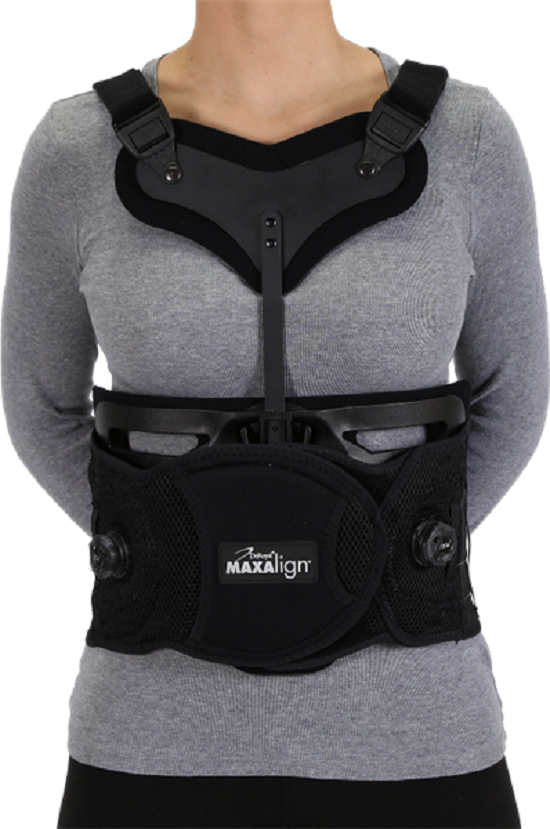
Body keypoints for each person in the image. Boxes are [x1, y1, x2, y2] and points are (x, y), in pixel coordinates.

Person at [1, 1, 547, 827]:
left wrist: (369, 553)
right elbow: (40, 409)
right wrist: (180, 554)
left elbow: (514, 398)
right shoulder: (74, 152)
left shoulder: (468, 139)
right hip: (151, 741)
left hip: (418, 738)